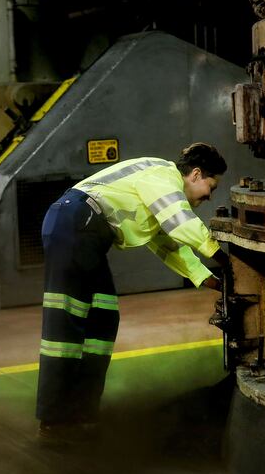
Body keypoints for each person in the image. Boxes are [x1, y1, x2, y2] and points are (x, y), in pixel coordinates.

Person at [36, 142, 229, 443]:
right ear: (195, 174)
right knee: (66, 326)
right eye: (210, 187)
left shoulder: (160, 191)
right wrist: (224, 258)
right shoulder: (162, 176)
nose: (208, 196)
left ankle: (83, 412)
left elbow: (168, 243)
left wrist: (210, 278)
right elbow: (179, 223)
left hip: (84, 230)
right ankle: (54, 421)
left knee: (102, 321)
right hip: (76, 221)